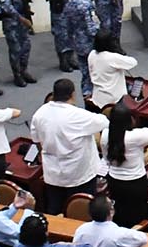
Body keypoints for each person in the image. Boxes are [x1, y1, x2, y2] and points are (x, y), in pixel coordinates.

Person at [31, 77, 110, 215]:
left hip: (53, 173)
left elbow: (37, 140)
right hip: (80, 175)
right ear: (73, 95)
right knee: (81, 213)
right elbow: (104, 121)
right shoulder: (78, 115)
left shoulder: (39, 113)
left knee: (54, 211)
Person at [0, 0, 40, 87]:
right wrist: (21, 19)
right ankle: (17, 75)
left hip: (24, 19)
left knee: (26, 47)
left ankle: (24, 70)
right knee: (15, 49)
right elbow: (6, 7)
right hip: (12, 22)